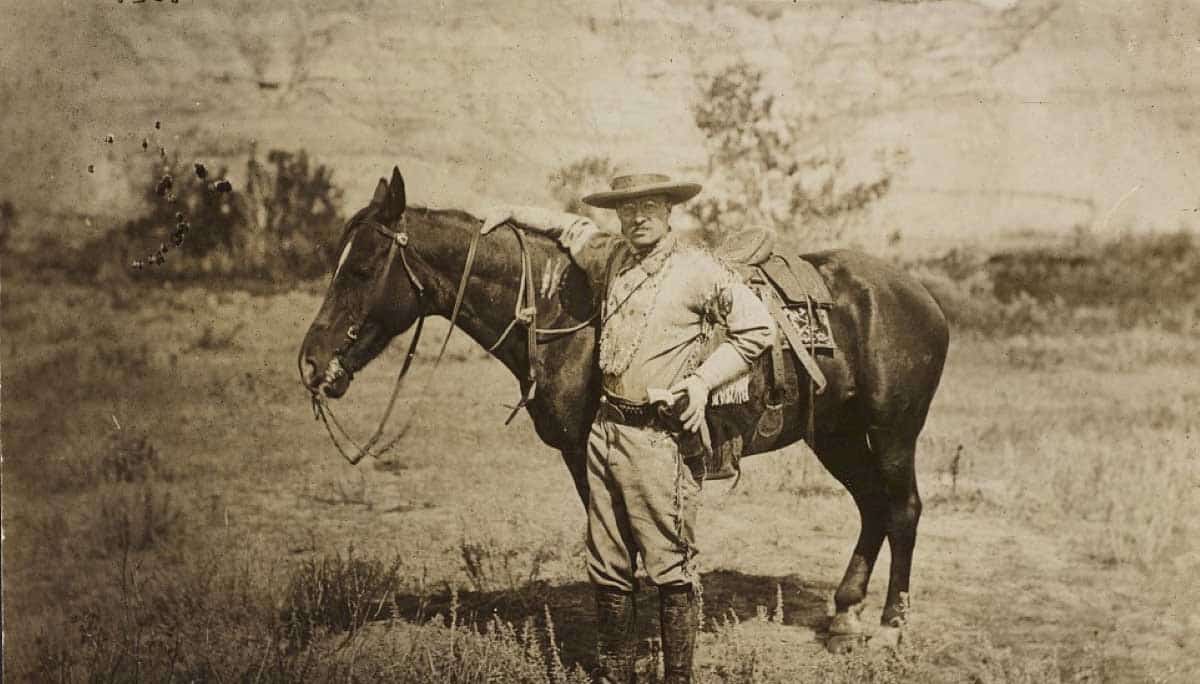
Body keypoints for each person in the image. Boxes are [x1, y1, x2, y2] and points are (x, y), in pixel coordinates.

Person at [481, 173, 774, 683]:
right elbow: (570, 228)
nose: (637, 218)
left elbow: (758, 327)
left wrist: (703, 383)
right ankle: (618, 675)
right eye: (626, 209)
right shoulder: (612, 258)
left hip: (660, 440)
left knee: (670, 567)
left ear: (669, 211)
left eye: (649, 206)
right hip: (606, 431)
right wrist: (509, 210)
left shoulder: (697, 270)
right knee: (608, 563)